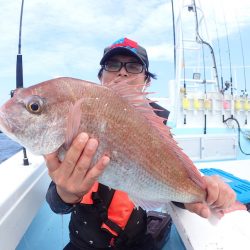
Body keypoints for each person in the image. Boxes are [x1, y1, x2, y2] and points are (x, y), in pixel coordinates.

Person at [45, 38, 236, 250]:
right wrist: (66, 193)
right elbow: (56, 204)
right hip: (82, 245)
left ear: (146, 81)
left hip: (136, 243)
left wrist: (203, 192)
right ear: (101, 77)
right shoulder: (79, 121)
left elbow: (170, 184)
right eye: (113, 65)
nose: (123, 72)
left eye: (134, 66)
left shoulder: (159, 133)